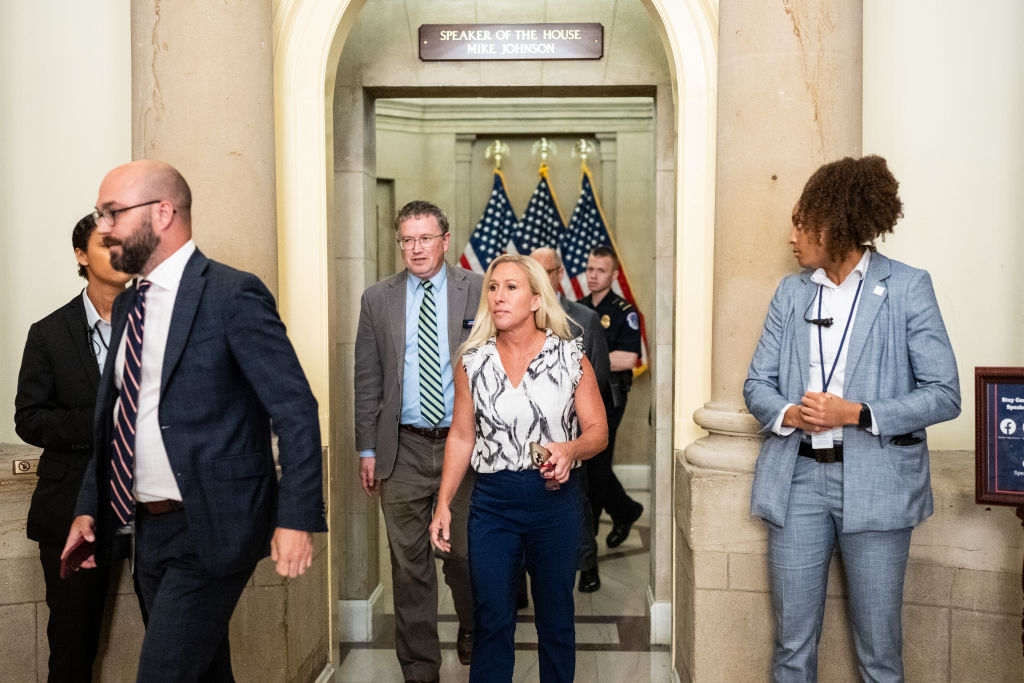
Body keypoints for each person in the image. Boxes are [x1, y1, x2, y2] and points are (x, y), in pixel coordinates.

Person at [62, 160, 326, 682]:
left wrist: (296, 517)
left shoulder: (232, 294)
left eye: (112, 212)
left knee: (163, 673)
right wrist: (90, 507)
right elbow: (118, 417)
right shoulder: (131, 301)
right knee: (204, 673)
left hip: (212, 524)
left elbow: (295, 409)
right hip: (145, 528)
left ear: (163, 213)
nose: (104, 227)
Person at [744, 155, 960, 680]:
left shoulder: (908, 287)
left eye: (800, 223)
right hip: (796, 484)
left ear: (832, 223)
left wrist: (858, 413)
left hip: (877, 485)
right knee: (791, 648)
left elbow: (945, 393)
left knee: (878, 654)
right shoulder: (790, 293)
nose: (792, 236)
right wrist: (791, 413)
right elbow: (756, 385)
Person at [429, 253, 608, 683]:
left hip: (555, 503)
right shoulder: (473, 361)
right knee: (491, 619)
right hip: (493, 503)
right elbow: (461, 436)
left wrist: (570, 450)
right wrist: (444, 503)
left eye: (511, 287)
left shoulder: (569, 357)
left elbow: (598, 431)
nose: (498, 296)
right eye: (493, 287)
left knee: (556, 621)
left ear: (534, 299)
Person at [353, 200, 483, 679]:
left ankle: (471, 623)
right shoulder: (377, 299)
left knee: (464, 555)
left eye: (425, 238)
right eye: (407, 239)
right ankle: (420, 669)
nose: (416, 248)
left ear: (445, 241)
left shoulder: (477, 289)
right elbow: (366, 377)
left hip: (464, 446)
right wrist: (368, 448)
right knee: (409, 567)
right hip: (402, 447)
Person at [15, 213, 134, 681]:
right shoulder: (48, 334)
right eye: (107, 244)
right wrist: (103, 422)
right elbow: (29, 419)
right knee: (72, 646)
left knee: (177, 641)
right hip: (70, 509)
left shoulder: (160, 323)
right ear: (82, 257)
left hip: (153, 507)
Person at [530, 246, 610, 593]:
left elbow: (600, 378)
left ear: (558, 274)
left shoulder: (582, 318)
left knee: (577, 501)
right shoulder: (515, 315)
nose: (536, 280)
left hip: (571, 434)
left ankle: (587, 564)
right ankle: (519, 584)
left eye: (543, 272)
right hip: (523, 436)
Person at [580, 246, 644, 548]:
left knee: (596, 463)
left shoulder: (624, 311)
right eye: (590, 269)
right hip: (578, 396)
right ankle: (625, 510)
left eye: (600, 270)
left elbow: (629, 358)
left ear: (613, 274)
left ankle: (588, 546)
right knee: (593, 465)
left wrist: (583, 359)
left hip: (610, 397)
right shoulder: (577, 307)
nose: (593, 275)